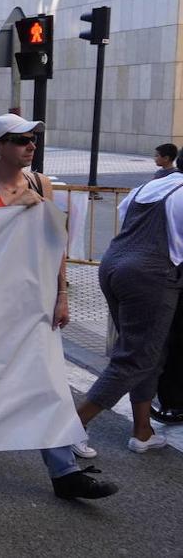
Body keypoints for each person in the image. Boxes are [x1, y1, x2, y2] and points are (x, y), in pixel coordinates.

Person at [0, 114, 117, 500]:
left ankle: (65, 473)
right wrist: (14, 212)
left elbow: (52, 244)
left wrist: (61, 295)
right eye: (21, 139)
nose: (31, 145)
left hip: (33, 299)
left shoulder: (39, 182)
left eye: (33, 139)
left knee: (48, 384)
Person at [73, 150, 183, 453]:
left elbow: (125, 214)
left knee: (151, 353)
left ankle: (142, 431)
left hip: (114, 263)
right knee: (136, 357)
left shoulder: (155, 185)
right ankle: (71, 426)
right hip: (151, 274)